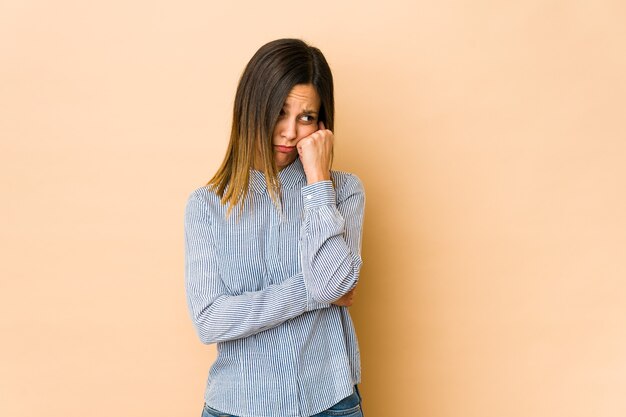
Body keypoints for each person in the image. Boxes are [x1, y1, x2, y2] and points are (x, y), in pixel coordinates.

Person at [184, 38, 365, 417]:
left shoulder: (343, 191)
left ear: (322, 123)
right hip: (235, 406)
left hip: (329, 402)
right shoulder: (208, 206)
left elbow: (335, 286)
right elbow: (209, 321)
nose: (289, 132)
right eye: (279, 112)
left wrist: (318, 181)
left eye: (306, 117)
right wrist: (314, 290)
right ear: (253, 108)